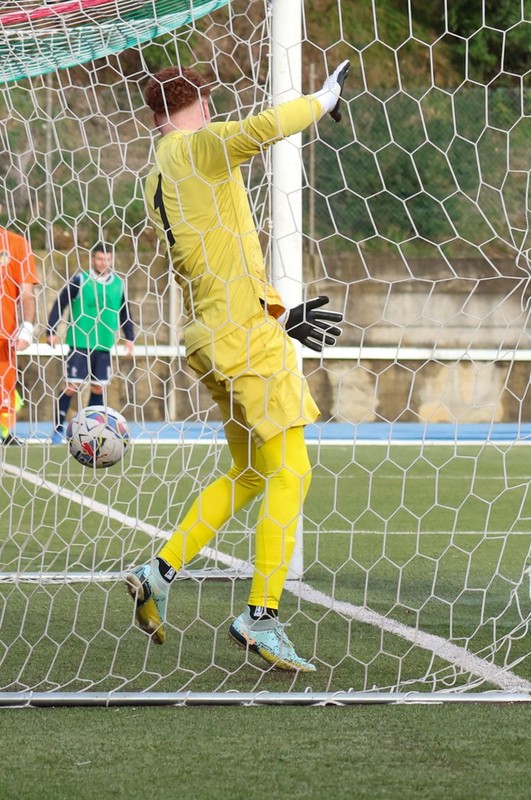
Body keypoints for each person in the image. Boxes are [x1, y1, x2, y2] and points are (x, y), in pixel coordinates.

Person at [125, 62, 349, 672]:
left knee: (250, 472)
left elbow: (218, 251)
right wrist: (322, 99)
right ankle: (261, 615)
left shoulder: (155, 176)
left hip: (209, 334)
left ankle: (159, 570)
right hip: (243, 339)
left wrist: (277, 311)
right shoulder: (198, 145)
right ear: (200, 106)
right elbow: (262, 128)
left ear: (154, 115)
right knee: (292, 473)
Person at [46, 242, 135, 443]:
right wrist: (51, 330)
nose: (104, 263)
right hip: (80, 341)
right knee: (71, 385)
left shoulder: (119, 284)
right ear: (93, 259)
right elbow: (61, 302)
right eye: (100, 259)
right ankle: (58, 429)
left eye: (107, 259)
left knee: (98, 388)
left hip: (104, 343)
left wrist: (129, 337)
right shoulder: (80, 280)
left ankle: (91, 430)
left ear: (112, 260)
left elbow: (125, 312)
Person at [0, 204, 39, 445]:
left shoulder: (15, 244)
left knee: (5, 390)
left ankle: (4, 434)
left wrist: (27, 327)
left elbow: (26, 293)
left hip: (3, 338)